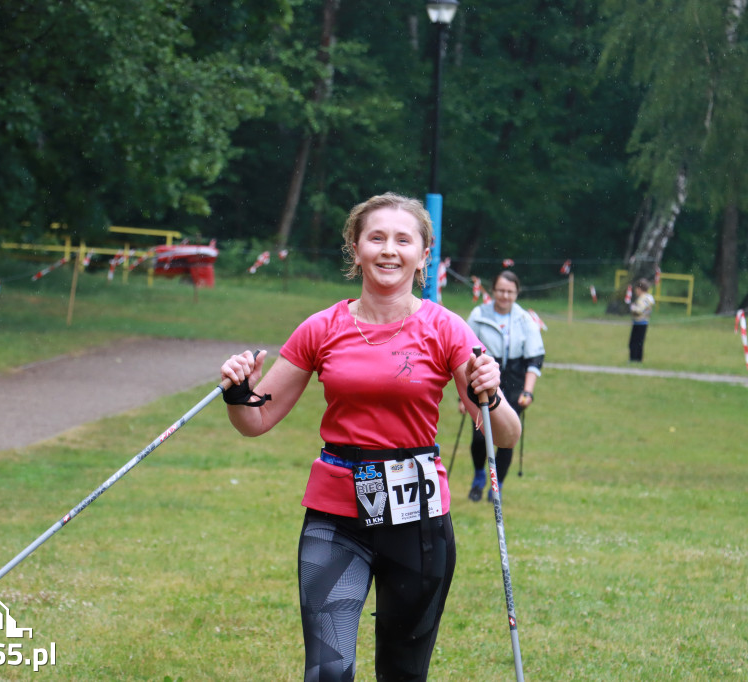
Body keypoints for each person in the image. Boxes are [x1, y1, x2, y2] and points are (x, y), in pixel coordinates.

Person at [219, 192, 522, 682]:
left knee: (402, 673)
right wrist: (238, 392)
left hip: (417, 522)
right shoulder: (321, 328)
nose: (388, 249)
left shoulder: (447, 329)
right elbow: (256, 419)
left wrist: (494, 394)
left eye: (404, 240)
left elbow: (504, 436)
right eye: (376, 237)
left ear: (424, 256)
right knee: (328, 671)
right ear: (355, 248)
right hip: (336, 519)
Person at [461, 271, 545, 502]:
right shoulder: (478, 315)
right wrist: (462, 397)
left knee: (507, 438)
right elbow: (463, 355)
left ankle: (496, 487)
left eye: (509, 292)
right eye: (500, 290)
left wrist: (528, 391)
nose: (504, 296)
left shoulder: (525, 320)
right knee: (480, 437)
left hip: (515, 382)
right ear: (493, 291)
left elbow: (535, 359)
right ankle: (479, 476)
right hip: (483, 381)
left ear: (517, 293)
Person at [628, 278, 655, 362]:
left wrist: (632, 308)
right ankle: (638, 359)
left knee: (634, 343)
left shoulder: (643, 299)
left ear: (639, 289)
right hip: (642, 322)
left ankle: (634, 359)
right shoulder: (648, 298)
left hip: (640, 323)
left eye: (636, 289)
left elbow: (640, 310)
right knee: (639, 343)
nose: (635, 291)